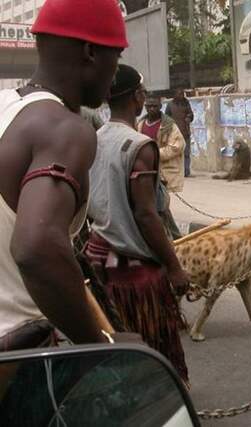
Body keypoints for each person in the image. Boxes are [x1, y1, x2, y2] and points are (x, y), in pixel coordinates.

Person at [0, 0, 132, 351]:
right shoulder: (65, 129)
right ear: (90, 52)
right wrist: (100, 344)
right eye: (115, 56)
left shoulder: (5, 108)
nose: (116, 72)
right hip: (19, 356)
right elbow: (36, 247)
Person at [85, 65, 190, 384]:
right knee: (151, 350)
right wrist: (174, 267)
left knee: (114, 349)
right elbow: (146, 214)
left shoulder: (94, 138)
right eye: (144, 93)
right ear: (138, 97)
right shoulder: (139, 146)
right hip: (136, 274)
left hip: (99, 261)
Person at [138, 95, 185, 239]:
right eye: (149, 106)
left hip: (163, 172)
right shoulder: (140, 124)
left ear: (160, 106)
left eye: (155, 106)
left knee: (161, 205)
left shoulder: (169, 125)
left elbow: (177, 147)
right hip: (145, 172)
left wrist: (154, 154)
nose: (152, 109)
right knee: (153, 207)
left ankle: (175, 238)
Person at [165, 89, 194, 177]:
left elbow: (191, 114)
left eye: (182, 94)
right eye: (180, 94)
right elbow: (166, 117)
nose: (182, 96)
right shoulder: (170, 105)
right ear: (175, 95)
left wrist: (189, 118)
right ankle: (176, 171)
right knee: (175, 153)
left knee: (186, 153)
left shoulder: (186, 103)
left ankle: (186, 171)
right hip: (174, 133)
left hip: (185, 132)